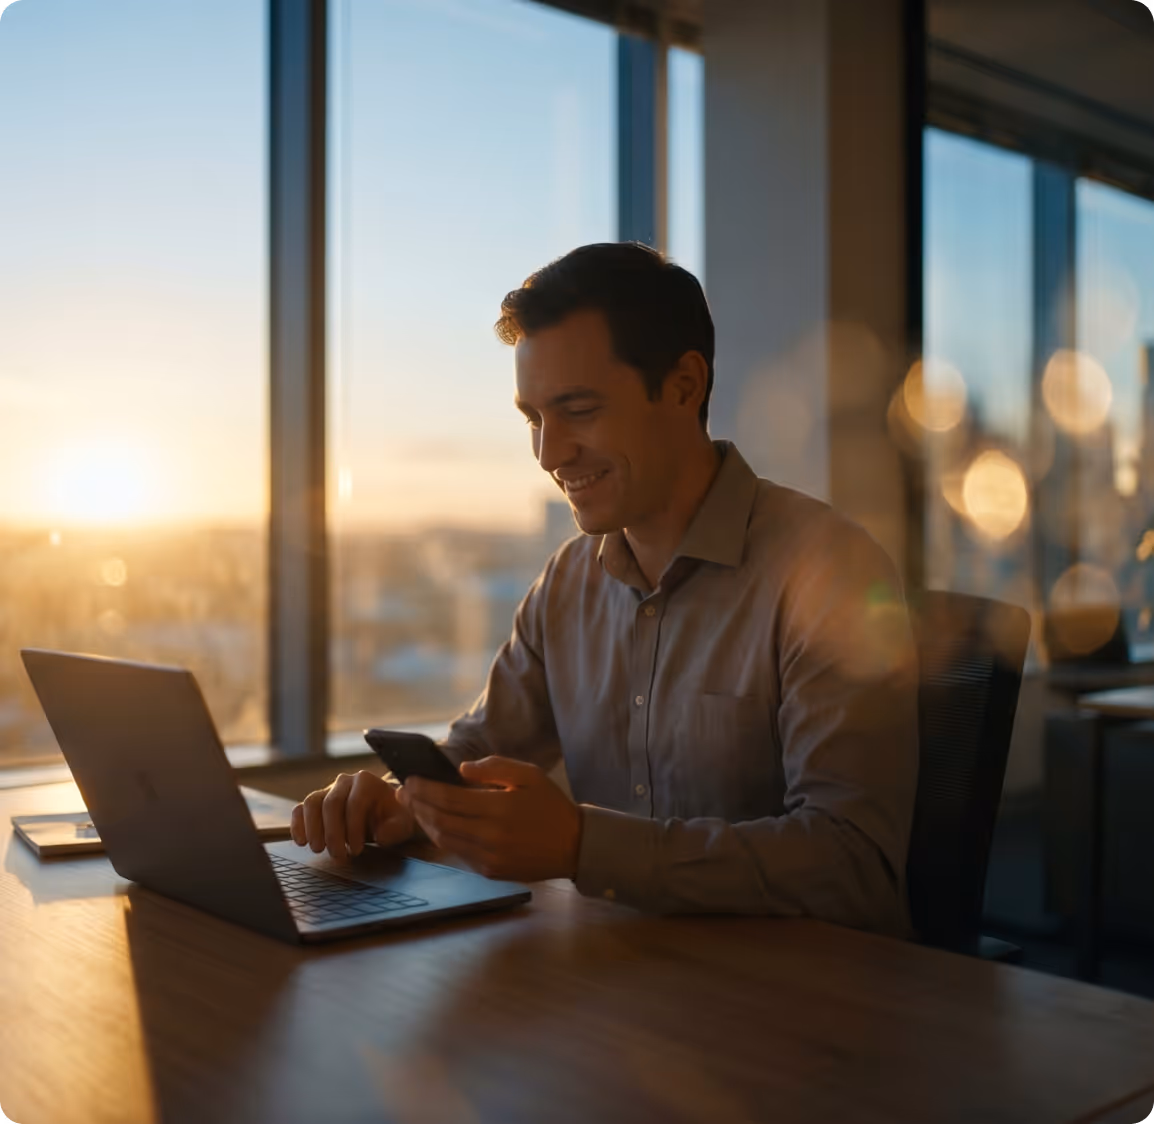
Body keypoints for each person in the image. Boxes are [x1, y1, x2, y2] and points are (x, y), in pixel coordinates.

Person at [292, 242, 919, 936]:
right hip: (622, 984)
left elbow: (856, 865)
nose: (548, 454)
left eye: (579, 411)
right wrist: (398, 802)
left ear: (684, 386)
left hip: (798, 1004)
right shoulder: (567, 582)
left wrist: (582, 848)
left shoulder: (829, 571)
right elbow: (472, 756)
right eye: (533, 418)